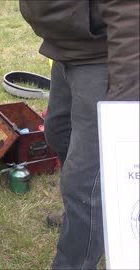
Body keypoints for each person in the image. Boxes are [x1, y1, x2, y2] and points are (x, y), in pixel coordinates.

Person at [18, 1, 139, 269]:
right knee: (58, 133)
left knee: (84, 180)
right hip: (70, 48)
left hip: (107, 57)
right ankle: (83, 217)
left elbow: (129, 12)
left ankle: (75, 258)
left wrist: (122, 100)